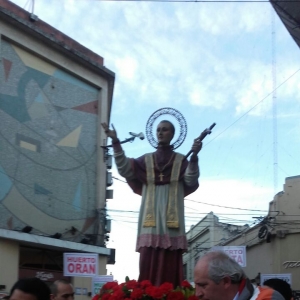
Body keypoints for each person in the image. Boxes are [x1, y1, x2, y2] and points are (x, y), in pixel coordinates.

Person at [102, 120, 202, 287]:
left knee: (171, 260)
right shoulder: (146, 160)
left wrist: (194, 156)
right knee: (148, 258)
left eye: (165, 130)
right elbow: (125, 169)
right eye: (158, 130)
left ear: (172, 134)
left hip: (172, 220)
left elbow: (191, 180)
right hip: (150, 221)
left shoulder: (180, 160)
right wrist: (115, 141)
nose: (160, 133)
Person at [194, 251, 285, 300]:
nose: (197, 294)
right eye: (196, 286)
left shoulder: (268, 298)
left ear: (226, 281)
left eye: (203, 285)